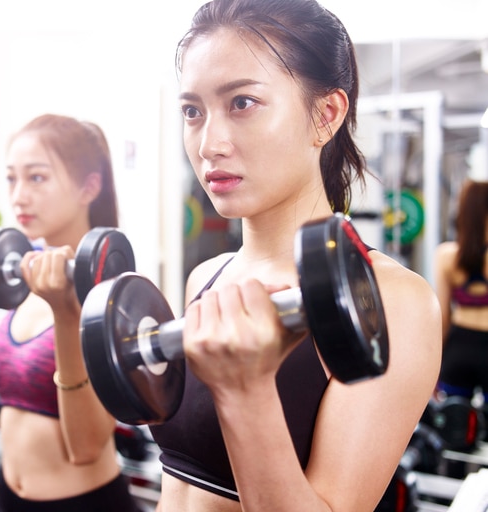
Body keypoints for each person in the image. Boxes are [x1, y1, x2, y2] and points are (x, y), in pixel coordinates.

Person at [147, 0, 442, 510]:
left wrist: (247, 391)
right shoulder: (207, 278)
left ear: (325, 116)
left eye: (242, 103)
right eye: (193, 111)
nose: (208, 144)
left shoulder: (395, 302)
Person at [0, 114, 140, 511]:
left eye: (36, 178)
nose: (18, 195)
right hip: (9, 496)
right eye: (11, 178)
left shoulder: (112, 294)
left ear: (89, 187)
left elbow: (87, 446)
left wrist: (67, 316)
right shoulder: (27, 276)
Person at [433, 179, 488, 402]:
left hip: (459, 348)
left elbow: (443, 318)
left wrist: (434, 368)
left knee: (454, 429)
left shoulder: (446, 256)